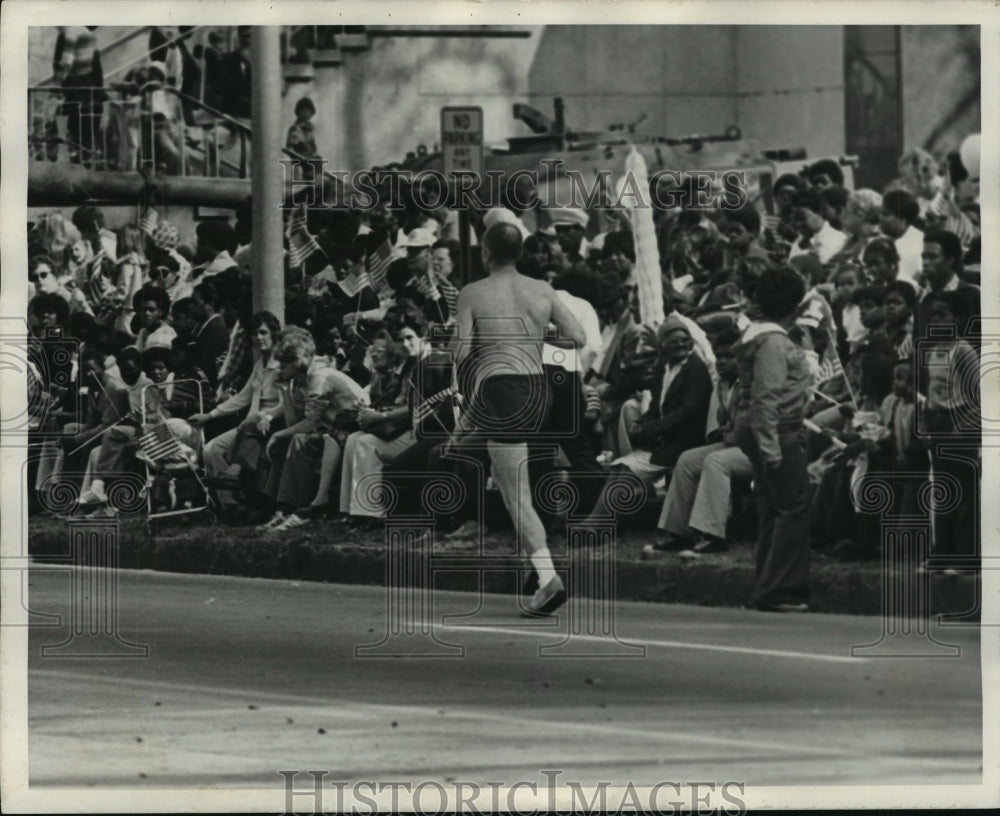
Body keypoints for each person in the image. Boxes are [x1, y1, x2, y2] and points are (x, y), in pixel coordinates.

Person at [450, 222, 586, 617]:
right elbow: (577, 337)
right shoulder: (541, 290)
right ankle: (535, 567)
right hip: (538, 388)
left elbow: (460, 351)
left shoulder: (473, 292)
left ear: (485, 254)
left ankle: (547, 578)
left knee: (515, 494)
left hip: (501, 387)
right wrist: (535, 338)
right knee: (522, 481)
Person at [732, 265, 812, 612]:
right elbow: (767, 395)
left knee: (770, 507)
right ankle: (779, 589)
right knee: (792, 508)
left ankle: (766, 582)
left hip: (757, 427)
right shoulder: (774, 342)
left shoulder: (757, 336)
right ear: (795, 305)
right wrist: (771, 448)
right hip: (776, 429)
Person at [189, 311, 282, 520]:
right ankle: (228, 506)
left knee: (223, 447)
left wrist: (262, 418)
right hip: (251, 422)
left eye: (263, 332)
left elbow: (286, 402)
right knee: (212, 449)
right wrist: (209, 415)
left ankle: (239, 500)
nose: (259, 338)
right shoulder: (261, 364)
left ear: (274, 334)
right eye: (255, 334)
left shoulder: (283, 362)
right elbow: (243, 397)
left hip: (272, 422)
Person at [878, 190, 923, 288]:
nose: (880, 217)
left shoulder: (918, 245)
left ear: (903, 219)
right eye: (880, 213)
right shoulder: (878, 238)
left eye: (886, 214)